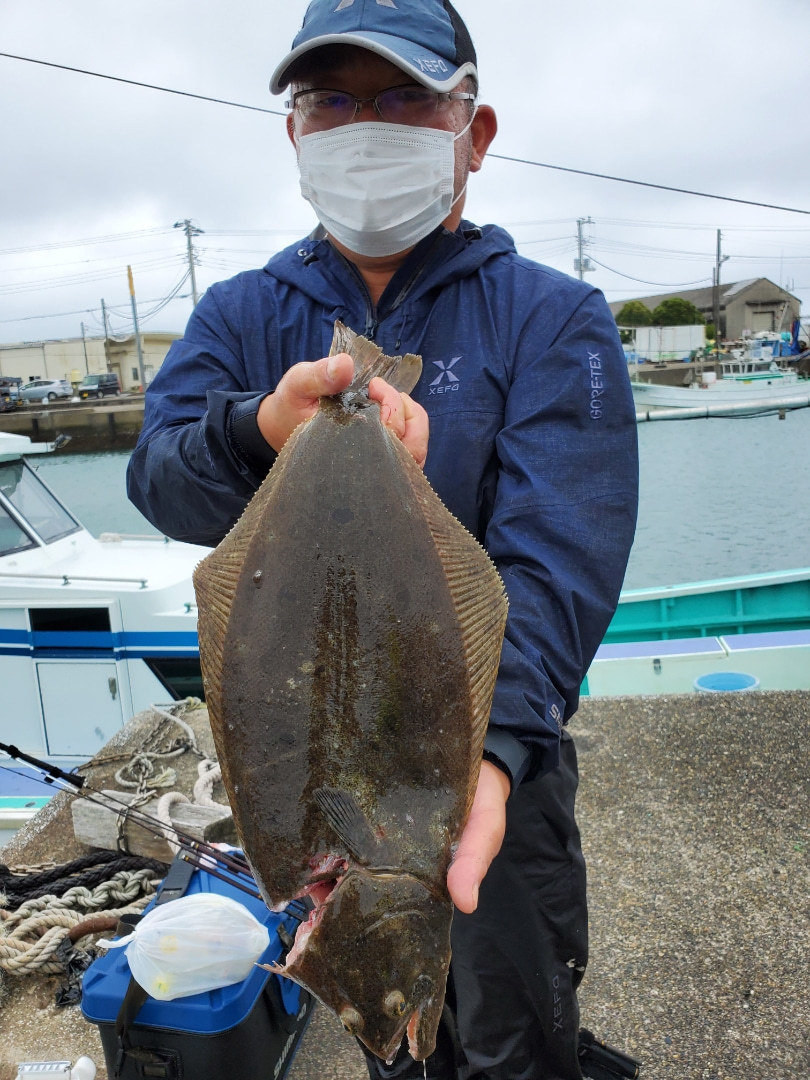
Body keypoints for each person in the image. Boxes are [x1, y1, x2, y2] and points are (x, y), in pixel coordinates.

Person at [127, 2, 639, 1077]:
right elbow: (161, 478)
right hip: (312, 751)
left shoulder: (553, 318)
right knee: (391, 1033)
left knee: (518, 1029)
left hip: (493, 757)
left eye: (404, 96)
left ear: (475, 130)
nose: (367, 124)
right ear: (295, 132)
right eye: (333, 100)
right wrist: (261, 426)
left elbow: (559, 560)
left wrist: (486, 759)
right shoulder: (241, 314)